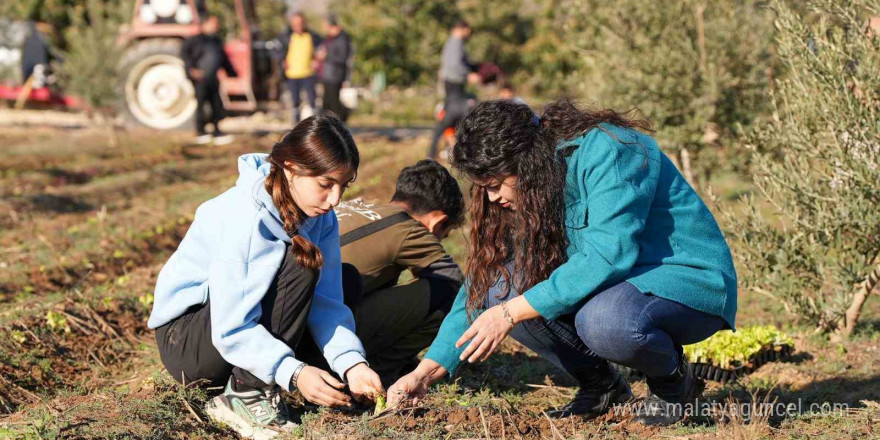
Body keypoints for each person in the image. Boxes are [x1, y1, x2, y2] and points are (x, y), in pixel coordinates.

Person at [389, 100, 738, 427]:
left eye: (495, 185)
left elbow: (609, 254)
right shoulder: (532, 185)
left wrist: (511, 313)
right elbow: (482, 283)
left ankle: (675, 384)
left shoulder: (611, 150)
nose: (492, 197)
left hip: (681, 281)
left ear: (526, 161)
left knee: (601, 320)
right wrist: (428, 370)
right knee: (503, 286)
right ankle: (602, 387)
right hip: (615, 288)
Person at [148, 112, 384, 437]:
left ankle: (264, 375)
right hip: (189, 342)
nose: (335, 199)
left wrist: (351, 362)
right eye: (325, 184)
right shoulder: (245, 218)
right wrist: (294, 372)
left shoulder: (321, 218)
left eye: (343, 185)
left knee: (346, 280)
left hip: (229, 329)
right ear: (290, 169)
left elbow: (326, 302)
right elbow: (230, 328)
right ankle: (243, 394)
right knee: (301, 266)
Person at [334, 160, 465, 384]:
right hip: (321, 340)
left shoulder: (356, 205)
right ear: (437, 221)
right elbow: (457, 285)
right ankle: (381, 372)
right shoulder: (407, 227)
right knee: (450, 295)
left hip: (285, 328)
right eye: (444, 234)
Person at [427, 20, 481, 160]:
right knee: (451, 118)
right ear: (462, 29)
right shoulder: (455, 44)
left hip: (456, 87)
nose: (469, 34)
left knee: (450, 120)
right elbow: (454, 65)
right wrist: (468, 75)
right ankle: (434, 152)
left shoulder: (457, 44)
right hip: (453, 87)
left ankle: (440, 151)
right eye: (468, 30)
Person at [181, 15, 237, 145]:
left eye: (217, 24)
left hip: (213, 78)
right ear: (205, 24)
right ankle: (201, 131)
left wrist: (232, 72)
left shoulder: (216, 41)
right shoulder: (194, 40)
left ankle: (217, 131)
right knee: (201, 105)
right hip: (200, 79)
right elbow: (185, 55)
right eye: (213, 23)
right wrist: (192, 70)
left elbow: (222, 58)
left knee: (216, 105)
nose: (215, 26)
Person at [278, 12, 322, 124]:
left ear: (304, 23)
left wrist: (316, 60)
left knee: (312, 99)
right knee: (295, 101)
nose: (297, 26)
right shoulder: (287, 37)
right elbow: (278, 51)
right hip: (292, 74)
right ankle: (295, 124)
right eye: (295, 24)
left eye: (300, 23)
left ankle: (314, 123)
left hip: (308, 73)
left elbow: (322, 49)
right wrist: (282, 61)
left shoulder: (312, 36)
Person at [317, 14, 353, 122]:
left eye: (325, 26)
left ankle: (342, 120)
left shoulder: (342, 39)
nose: (324, 28)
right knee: (326, 104)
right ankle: (326, 126)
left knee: (333, 103)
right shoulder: (329, 39)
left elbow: (342, 58)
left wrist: (326, 56)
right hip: (327, 74)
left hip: (335, 75)